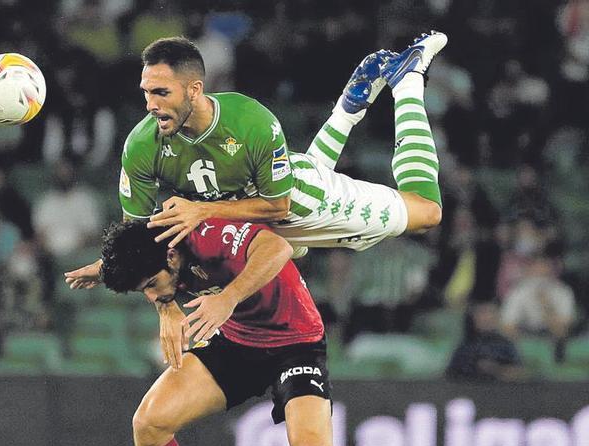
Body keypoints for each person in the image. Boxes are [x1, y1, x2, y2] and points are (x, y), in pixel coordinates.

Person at [66, 32, 447, 284]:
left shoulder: (250, 121)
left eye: (161, 93)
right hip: (255, 226)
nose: (150, 105)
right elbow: (138, 240)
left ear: (195, 89)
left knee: (427, 212)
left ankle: (408, 79)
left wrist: (202, 212)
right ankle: (348, 109)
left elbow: (280, 204)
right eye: (146, 92)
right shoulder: (141, 146)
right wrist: (109, 266)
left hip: (300, 204)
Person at [98, 219, 362, 446]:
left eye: (153, 284)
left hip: (295, 344)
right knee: (148, 423)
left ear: (172, 255)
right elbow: (120, 268)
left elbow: (277, 247)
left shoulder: (207, 236)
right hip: (235, 340)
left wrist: (228, 298)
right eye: (144, 291)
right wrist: (165, 309)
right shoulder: (151, 251)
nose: (153, 296)